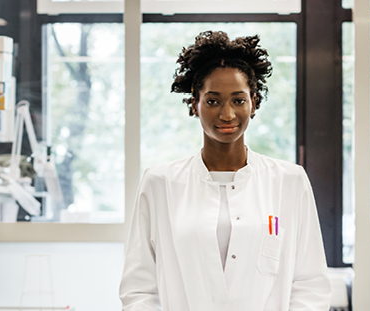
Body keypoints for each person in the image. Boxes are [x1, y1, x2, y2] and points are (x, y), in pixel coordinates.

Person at [120, 30, 331, 311]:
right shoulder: (160, 182)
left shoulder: (289, 181)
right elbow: (139, 289)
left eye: (238, 100)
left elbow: (310, 284)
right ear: (195, 103)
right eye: (213, 100)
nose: (227, 114)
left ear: (253, 102)